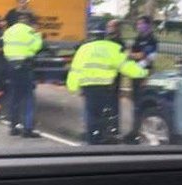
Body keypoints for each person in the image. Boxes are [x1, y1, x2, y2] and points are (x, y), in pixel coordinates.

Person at [67, 33, 148, 145]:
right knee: (106, 113)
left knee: (91, 114)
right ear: (105, 36)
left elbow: (75, 69)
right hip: (106, 87)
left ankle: (93, 140)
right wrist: (142, 73)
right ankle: (106, 137)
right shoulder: (113, 47)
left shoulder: (84, 49)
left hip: (89, 87)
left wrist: (72, 86)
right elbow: (126, 66)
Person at [3, 14, 43, 138]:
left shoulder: (9, 31)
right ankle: (27, 129)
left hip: (11, 65)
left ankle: (13, 127)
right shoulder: (29, 31)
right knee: (28, 98)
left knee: (14, 96)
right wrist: (37, 35)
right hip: (25, 66)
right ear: (29, 23)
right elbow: (36, 47)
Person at [125, 15, 158, 144]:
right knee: (135, 105)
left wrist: (131, 55)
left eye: (141, 24)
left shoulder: (152, 40)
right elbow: (135, 53)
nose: (139, 26)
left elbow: (146, 56)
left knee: (142, 104)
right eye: (138, 24)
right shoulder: (138, 38)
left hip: (145, 75)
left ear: (148, 25)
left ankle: (141, 132)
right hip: (135, 74)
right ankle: (134, 132)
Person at [105, 19, 126, 136]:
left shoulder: (118, 43)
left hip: (114, 77)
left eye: (110, 26)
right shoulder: (108, 40)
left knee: (113, 104)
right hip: (106, 77)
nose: (108, 29)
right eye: (108, 26)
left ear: (116, 28)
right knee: (108, 104)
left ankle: (114, 128)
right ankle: (109, 127)